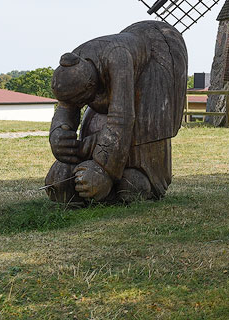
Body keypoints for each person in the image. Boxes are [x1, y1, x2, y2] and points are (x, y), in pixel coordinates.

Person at [44, 21, 188, 205]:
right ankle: (85, 172)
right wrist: (59, 136)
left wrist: (103, 170)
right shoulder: (74, 64)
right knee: (94, 124)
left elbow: (122, 118)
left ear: (90, 85)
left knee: (145, 130)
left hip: (155, 64)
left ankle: (138, 179)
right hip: (127, 57)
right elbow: (66, 107)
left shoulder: (117, 57)